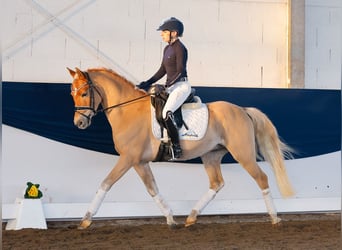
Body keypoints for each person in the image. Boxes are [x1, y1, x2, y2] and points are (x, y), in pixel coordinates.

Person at [138, 17, 191, 159]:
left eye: (164, 32)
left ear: (174, 33)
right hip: (171, 86)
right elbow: (162, 70)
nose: (161, 34)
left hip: (181, 86)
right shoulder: (167, 48)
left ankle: (176, 147)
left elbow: (180, 71)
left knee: (166, 112)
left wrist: (166, 85)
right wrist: (147, 82)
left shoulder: (180, 48)